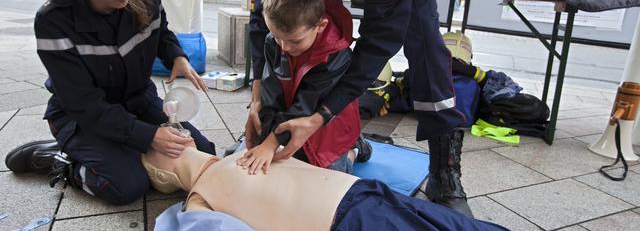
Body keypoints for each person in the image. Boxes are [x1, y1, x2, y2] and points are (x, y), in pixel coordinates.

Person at [247, 0, 472, 216]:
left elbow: (381, 39)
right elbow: (264, 19)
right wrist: (257, 95)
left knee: (424, 38)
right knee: (297, 32)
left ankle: (444, 166)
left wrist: (323, 115)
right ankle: (331, 131)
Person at [4, 0, 215, 205]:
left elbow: (162, 32)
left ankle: (116, 153)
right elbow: (84, 105)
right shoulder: (55, 21)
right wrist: (149, 136)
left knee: (203, 150)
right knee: (126, 185)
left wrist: (176, 56)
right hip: (81, 117)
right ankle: (62, 160)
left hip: (138, 100)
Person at [143, 144, 508, 231]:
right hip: (352, 207)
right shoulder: (200, 197)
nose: (178, 139)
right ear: (164, 176)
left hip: (357, 202)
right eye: (165, 149)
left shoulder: (246, 151)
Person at [240, 0, 366, 175]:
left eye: (295, 41)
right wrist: (265, 139)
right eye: (278, 38)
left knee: (328, 173)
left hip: (328, 124)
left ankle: (355, 148)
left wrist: (271, 144)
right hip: (294, 114)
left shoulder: (335, 55)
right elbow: (270, 93)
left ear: (321, 26)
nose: (285, 47)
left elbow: (308, 104)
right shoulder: (274, 42)